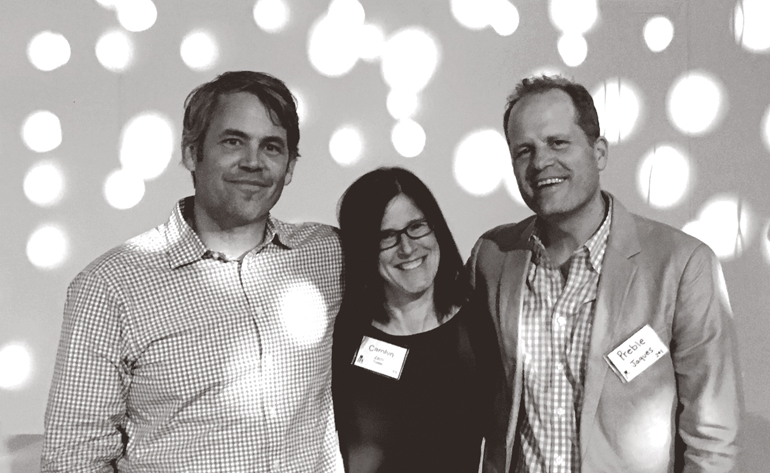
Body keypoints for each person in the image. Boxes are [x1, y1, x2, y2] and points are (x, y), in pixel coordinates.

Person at [41, 71, 344, 472]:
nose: (253, 162)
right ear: (190, 152)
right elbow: (73, 459)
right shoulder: (109, 287)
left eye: (271, 147)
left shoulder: (328, 254)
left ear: (289, 167)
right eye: (233, 141)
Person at [468, 75, 742, 473]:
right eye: (524, 150)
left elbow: (713, 437)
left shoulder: (681, 265)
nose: (540, 162)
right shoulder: (493, 258)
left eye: (558, 142)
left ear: (598, 153)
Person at [332, 167, 501, 473]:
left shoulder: (480, 324)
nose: (407, 247)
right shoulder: (341, 336)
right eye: (386, 236)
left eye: (416, 227)